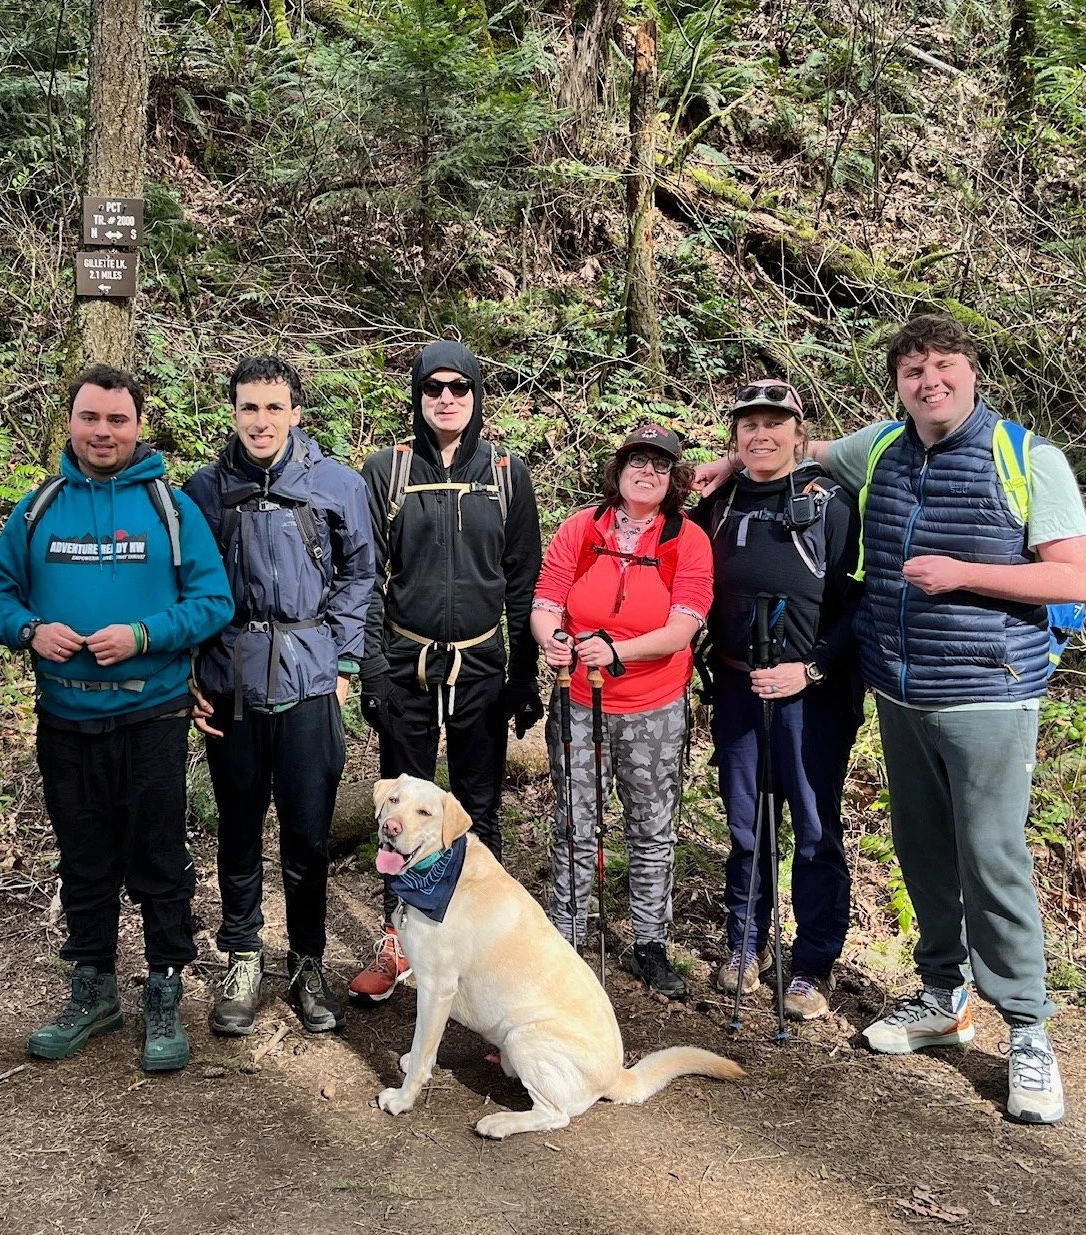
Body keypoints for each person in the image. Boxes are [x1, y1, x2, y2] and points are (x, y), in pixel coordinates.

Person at [695, 316, 1086, 1123]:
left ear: (972, 372)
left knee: (992, 858)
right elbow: (799, 448)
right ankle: (944, 997)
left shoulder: (1027, 458)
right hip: (901, 692)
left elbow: (1077, 578)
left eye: (944, 365)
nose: (930, 381)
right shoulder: (881, 447)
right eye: (914, 371)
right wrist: (728, 460)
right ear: (898, 385)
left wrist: (963, 574)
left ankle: (1027, 1031)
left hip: (989, 691)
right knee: (922, 852)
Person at [0, 365, 233, 1073]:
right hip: (65, 719)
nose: (103, 432)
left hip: (151, 715)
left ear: (138, 426)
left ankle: (164, 987)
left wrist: (144, 635)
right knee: (84, 859)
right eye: (90, 417)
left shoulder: (171, 509)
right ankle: (93, 987)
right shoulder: (38, 509)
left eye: (117, 420)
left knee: (159, 857)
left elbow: (214, 602)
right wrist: (29, 630)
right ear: (70, 423)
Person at [183, 356, 376, 1037]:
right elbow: (185, 584)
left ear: (296, 412)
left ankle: (307, 961)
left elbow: (360, 573)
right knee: (237, 831)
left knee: (307, 835)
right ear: (232, 411)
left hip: (309, 679)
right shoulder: (204, 490)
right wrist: (191, 673)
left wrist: (343, 662)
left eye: (273, 407)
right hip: (229, 682)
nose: (260, 421)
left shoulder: (337, 485)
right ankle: (242, 957)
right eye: (248, 407)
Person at [350, 341, 544, 1002]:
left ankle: (478, 945)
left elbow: (523, 581)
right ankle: (399, 941)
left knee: (478, 808)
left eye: (459, 387)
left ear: (476, 394)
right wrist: (373, 668)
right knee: (401, 814)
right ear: (418, 395)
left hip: (482, 664)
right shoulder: (388, 471)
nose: (446, 398)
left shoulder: (508, 474)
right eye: (433, 387)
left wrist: (524, 674)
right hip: (407, 665)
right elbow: (367, 576)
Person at [690, 382, 863, 1020]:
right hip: (738, 686)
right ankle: (746, 941)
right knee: (747, 825)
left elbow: (861, 606)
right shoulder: (720, 501)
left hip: (812, 695)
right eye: (748, 425)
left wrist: (810, 669)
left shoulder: (831, 504)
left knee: (814, 830)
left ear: (798, 431)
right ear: (734, 435)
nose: (760, 435)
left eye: (774, 423)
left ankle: (813, 963)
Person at [530, 425, 714, 999]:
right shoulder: (582, 528)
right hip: (579, 699)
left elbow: (683, 629)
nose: (647, 472)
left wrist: (617, 652)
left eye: (660, 465)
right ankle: (567, 934)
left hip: (653, 707)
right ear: (618, 469)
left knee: (652, 826)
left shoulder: (688, 540)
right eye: (637, 461)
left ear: (674, 478)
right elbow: (546, 600)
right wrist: (552, 639)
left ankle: (649, 942)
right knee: (575, 822)